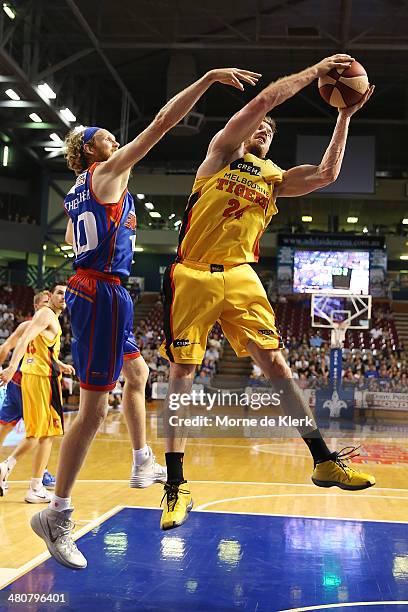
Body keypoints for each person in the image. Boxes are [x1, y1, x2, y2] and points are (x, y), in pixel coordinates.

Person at [28, 67, 260, 570]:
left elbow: (74, 241)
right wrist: (207, 79)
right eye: (107, 137)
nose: (115, 138)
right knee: (91, 411)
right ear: (92, 150)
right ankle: (58, 512)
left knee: (139, 373)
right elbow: (161, 122)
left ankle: (140, 462)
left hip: (103, 289)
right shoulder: (108, 173)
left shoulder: (76, 193)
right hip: (101, 292)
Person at [158, 54, 376, 530]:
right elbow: (263, 100)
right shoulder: (218, 155)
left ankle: (323, 460)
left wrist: (344, 115)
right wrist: (315, 71)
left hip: (240, 273)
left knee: (277, 364)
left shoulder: (272, 180)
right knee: (182, 375)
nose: (263, 130)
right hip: (191, 272)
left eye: (270, 132)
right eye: (260, 127)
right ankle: (175, 485)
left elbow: (325, 175)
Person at [0, 285, 74, 502]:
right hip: (37, 379)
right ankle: (28, 482)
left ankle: (30, 481)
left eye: (67, 295)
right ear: (50, 297)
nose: (64, 297)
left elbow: (40, 350)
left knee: (44, 433)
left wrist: (58, 364)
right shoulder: (46, 314)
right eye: (60, 293)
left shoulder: (47, 318)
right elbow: (21, 342)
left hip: (40, 376)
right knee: (42, 433)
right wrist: (12, 366)